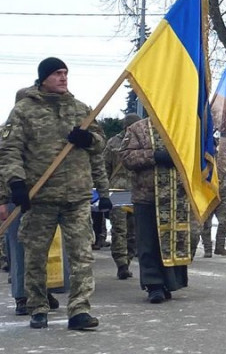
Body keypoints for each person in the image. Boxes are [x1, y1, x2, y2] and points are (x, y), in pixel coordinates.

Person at [0, 57, 110, 330]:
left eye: (65, 73)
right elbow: (9, 150)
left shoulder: (80, 109)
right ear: (44, 78)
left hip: (77, 196)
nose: (63, 77)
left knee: (82, 255)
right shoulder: (23, 111)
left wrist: (89, 139)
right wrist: (16, 183)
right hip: (40, 197)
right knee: (35, 255)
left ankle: (79, 310)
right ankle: (38, 306)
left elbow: (99, 144)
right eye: (57, 73)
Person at [1, 87, 67, 317]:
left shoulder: (44, 131)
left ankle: (43, 291)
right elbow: (4, 167)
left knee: (45, 249)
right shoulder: (8, 131)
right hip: (16, 197)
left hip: (45, 197)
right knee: (20, 249)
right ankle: (22, 295)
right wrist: (2, 200)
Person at [120, 117, 198, 303]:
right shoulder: (138, 128)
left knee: (173, 242)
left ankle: (170, 282)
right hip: (147, 196)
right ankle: (153, 284)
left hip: (177, 197)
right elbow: (126, 157)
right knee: (149, 242)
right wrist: (154, 156)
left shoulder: (184, 125)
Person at [103, 113, 141, 279]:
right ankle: (121, 264)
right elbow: (105, 168)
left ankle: (129, 258)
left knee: (134, 230)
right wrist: (104, 191)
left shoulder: (142, 142)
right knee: (119, 229)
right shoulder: (113, 143)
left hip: (136, 191)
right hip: (118, 192)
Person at [199, 149, 226, 258]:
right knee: (205, 224)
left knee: (223, 222)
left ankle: (220, 246)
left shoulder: (225, 164)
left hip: (222, 198)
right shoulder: (203, 163)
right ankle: (207, 249)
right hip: (207, 197)